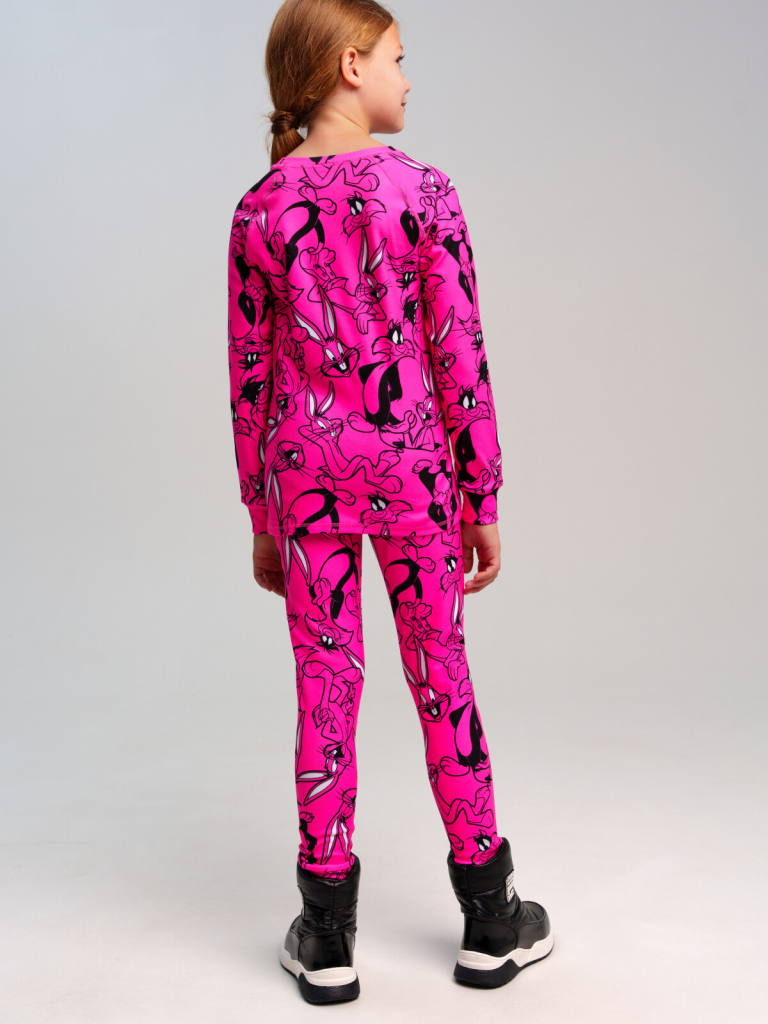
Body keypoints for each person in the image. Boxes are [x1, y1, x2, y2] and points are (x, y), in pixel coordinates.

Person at [227, 0, 553, 1004]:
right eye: (400, 60)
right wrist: (480, 490)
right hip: (413, 471)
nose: (410, 80)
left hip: (307, 478)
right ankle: (490, 915)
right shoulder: (427, 191)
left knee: (324, 684)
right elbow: (460, 351)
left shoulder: (259, 208)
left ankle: (327, 934)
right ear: (350, 64)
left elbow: (249, 377)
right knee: (441, 675)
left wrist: (263, 514)